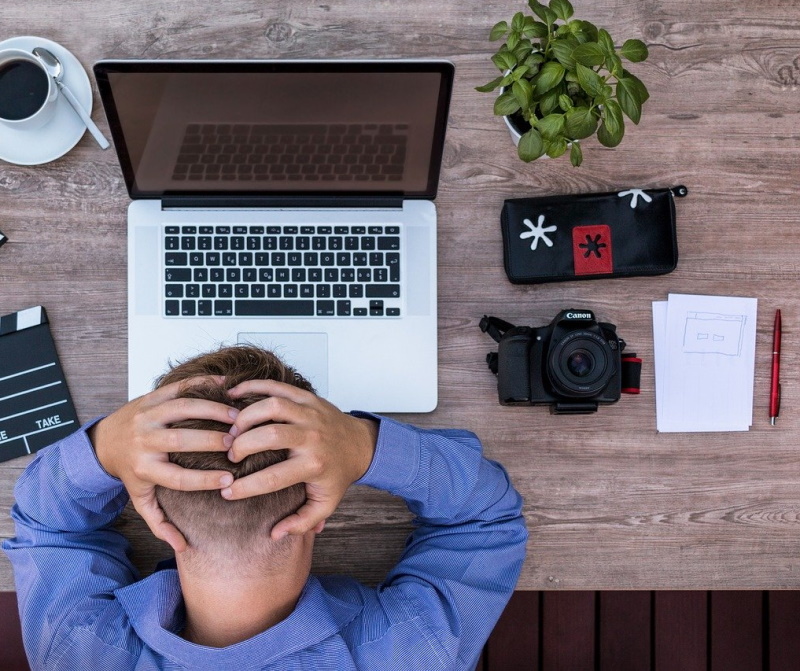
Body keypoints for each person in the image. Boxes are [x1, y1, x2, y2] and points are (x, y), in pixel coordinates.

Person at [3, 345, 528, 670]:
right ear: (317, 516)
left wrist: (102, 449)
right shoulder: (414, 653)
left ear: (153, 513)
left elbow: (49, 528)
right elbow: (487, 517)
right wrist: (364, 446)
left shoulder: (77, 652)